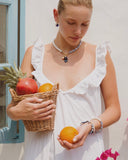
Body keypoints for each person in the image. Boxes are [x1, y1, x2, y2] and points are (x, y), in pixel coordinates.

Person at [7, 0, 121, 159]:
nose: (78, 31)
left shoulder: (100, 55)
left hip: (86, 150)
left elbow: (114, 109)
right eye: (71, 22)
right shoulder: (34, 55)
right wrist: (17, 112)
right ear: (56, 15)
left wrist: (90, 126)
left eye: (85, 24)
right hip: (41, 152)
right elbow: (13, 107)